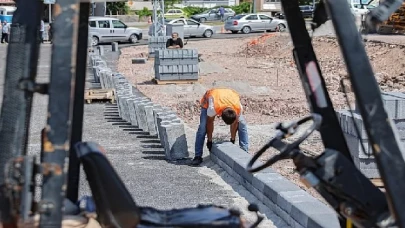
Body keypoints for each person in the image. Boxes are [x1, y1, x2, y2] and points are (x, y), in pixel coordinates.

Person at [191, 88, 249, 166]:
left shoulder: (238, 108)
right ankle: (198, 156)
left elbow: (235, 124)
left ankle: (244, 151)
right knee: (202, 127)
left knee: (242, 124)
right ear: (220, 115)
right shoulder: (213, 108)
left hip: (230, 95)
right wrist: (209, 140)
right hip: (210, 98)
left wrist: (232, 139)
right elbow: (210, 122)